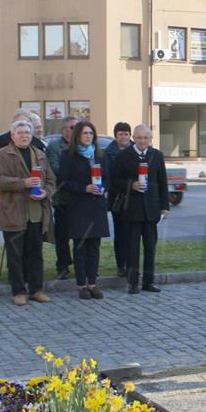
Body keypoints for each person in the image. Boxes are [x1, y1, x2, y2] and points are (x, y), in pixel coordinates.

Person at [0, 120, 56, 306]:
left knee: (35, 253)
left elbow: (51, 180)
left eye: (27, 132)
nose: (24, 135)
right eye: (20, 132)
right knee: (15, 255)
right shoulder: (3, 155)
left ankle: (36, 289)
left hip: (36, 212)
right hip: (13, 212)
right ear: (12, 135)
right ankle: (18, 291)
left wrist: (46, 193)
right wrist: (23, 183)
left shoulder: (40, 154)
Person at [111, 124, 169, 294]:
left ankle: (148, 281)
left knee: (150, 248)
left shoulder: (157, 155)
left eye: (145, 138)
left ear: (150, 139)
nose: (142, 141)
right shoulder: (123, 156)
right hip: (131, 210)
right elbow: (114, 181)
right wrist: (131, 185)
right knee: (132, 248)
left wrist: (164, 206)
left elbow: (162, 182)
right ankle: (133, 282)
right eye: (139, 138)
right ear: (133, 138)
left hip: (151, 209)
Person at [58, 121, 109, 299]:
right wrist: (84, 188)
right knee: (80, 247)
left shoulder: (100, 156)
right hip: (78, 206)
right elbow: (63, 182)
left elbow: (108, 178)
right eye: (85, 133)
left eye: (91, 133)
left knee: (94, 246)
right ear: (77, 136)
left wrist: (104, 188)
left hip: (97, 206)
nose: (88, 136)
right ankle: (81, 285)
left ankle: (93, 283)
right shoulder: (68, 155)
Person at [45, 115, 80, 280]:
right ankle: (63, 265)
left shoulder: (83, 145)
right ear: (63, 130)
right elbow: (57, 170)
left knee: (82, 234)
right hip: (63, 197)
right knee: (62, 234)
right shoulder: (54, 147)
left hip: (81, 197)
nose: (75, 131)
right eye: (72, 127)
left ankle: (82, 264)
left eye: (77, 127)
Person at [103, 122, 134, 278]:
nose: (123, 136)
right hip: (118, 199)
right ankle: (121, 265)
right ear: (115, 136)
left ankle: (132, 264)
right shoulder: (108, 152)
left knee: (133, 234)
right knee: (121, 233)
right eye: (120, 134)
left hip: (136, 198)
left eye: (126, 134)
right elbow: (108, 176)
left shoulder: (137, 149)